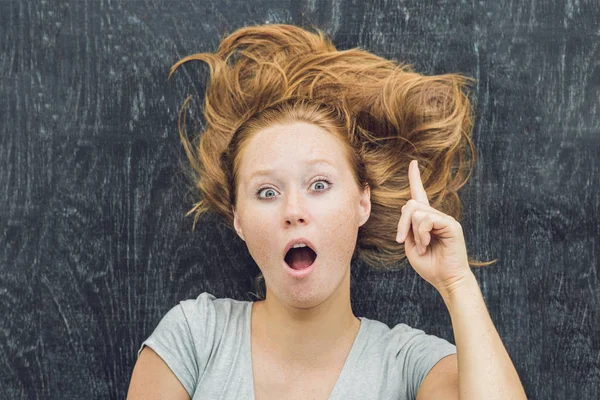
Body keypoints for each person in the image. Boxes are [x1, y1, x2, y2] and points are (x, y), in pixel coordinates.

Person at [127, 24, 527, 399]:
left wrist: (456, 282)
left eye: (319, 185)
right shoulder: (194, 337)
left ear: (362, 202)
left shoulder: (409, 364)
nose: (294, 210)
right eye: (267, 192)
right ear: (238, 220)